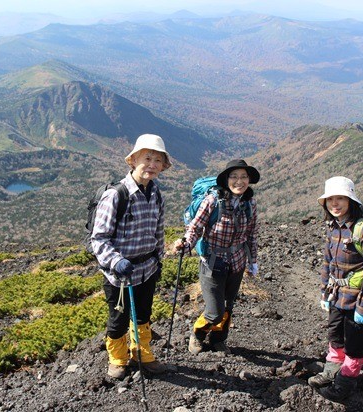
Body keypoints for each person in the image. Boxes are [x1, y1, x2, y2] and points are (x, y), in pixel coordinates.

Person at [91, 134, 170, 380]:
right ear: (133, 160)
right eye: (147, 158)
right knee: (119, 318)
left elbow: (158, 230)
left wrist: (159, 258)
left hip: (147, 267)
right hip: (120, 274)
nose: (152, 164)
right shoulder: (117, 195)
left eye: (158, 160)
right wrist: (116, 261)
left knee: (144, 313)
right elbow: (99, 238)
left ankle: (141, 352)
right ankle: (117, 358)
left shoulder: (156, 194)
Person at [174, 159, 260, 355]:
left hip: (237, 262)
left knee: (228, 305)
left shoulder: (250, 203)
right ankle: (197, 334)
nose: (240, 181)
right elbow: (195, 227)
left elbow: (252, 234)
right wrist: (186, 243)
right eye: (234, 177)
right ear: (226, 180)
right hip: (213, 262)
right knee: (214, 311)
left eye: (244, 177)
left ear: (249, 180)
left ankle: (218, 339)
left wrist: (253, 261)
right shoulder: (213, 201)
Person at [308, 176, 363, 401]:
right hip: (337, 297)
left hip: (360, 300)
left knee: (355, 345)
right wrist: (324, 292)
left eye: (340, 198)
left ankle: (344, 386)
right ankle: (331, 372)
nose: (335, 204)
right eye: (330, 199)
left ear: (351, 200)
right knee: (335, 335)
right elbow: (327, 262)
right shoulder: (333, 227)